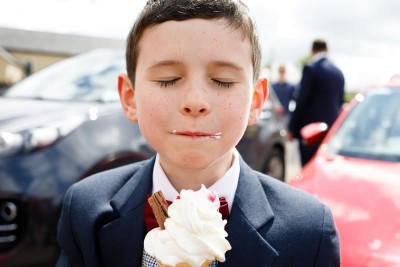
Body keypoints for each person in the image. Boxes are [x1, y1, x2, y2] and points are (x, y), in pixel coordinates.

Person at [56, 1, 340, 266]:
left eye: (223, 81)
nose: (195, 101)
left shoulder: (310, 231)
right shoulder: (83, 210)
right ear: (131, 97)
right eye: (168, 79)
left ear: (255, 101)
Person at [288, 38, 345, 166]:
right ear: (326, 50)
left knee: (308, 169)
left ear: (312, 50)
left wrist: (292, 128)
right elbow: (340, 103)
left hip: (311, 133)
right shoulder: (338, 73)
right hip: (331, 132)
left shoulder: (310, 68)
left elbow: (302, 100)